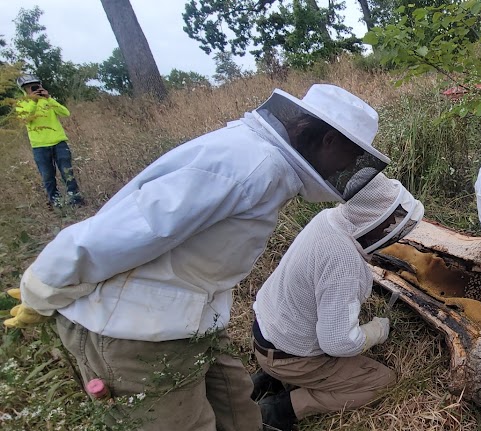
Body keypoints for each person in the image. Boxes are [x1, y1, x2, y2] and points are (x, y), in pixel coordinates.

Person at [5, 83, 391, 431]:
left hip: (188, 321)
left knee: (238, 409)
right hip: (133, 334)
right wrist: (43, 287)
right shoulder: (248, 166)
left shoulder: (260, 163)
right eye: (350, 154)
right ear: (327, 140)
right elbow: (117, 232)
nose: (347, 167)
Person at [251, 173, 423, 431]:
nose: (392, 229)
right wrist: (376, 331)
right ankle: (280, 409)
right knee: (381, 381)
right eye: (389, 222)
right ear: (370, 218)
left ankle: (272, 377)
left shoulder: (329, 219)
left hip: (267, 333)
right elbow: (338, 343)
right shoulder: (343, 262)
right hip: (287, 355)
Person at [14, 74, 84, 207]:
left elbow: (65, 113)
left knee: (67, 172)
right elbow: (25, 119)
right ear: (24, 89)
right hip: (39, 146)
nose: (34, 89)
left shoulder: (48, 101)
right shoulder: (21, 104)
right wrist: (33, 102)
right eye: (30, 87)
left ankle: (75, 199)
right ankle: (56, 202)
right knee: (48, 177)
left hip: (58, 142)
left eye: (36, 86)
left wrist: (49, 99)